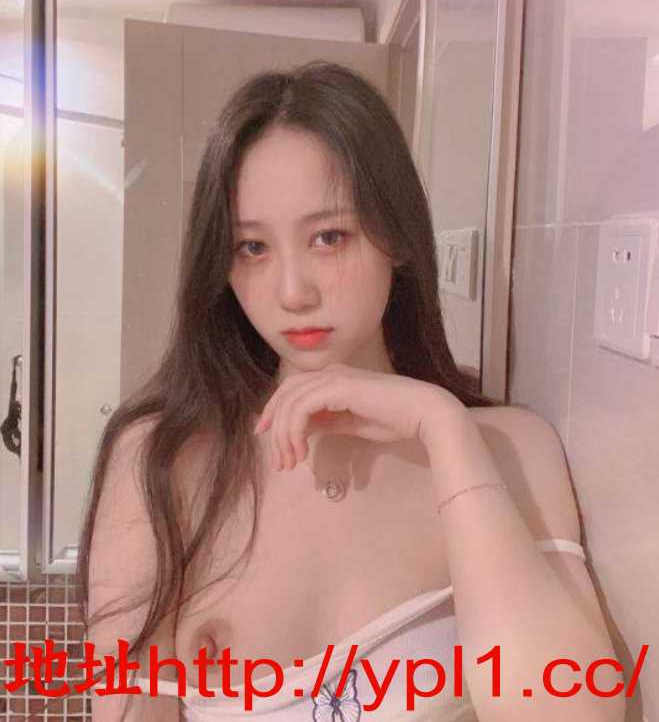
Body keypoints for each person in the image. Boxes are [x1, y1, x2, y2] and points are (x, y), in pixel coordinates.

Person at [76, 61, 624, 722]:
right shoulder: (164, 461)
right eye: (252, 248)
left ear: (398, 236)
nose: (292, 292)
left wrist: (443, 428)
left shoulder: (511, 448)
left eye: (328, 236)